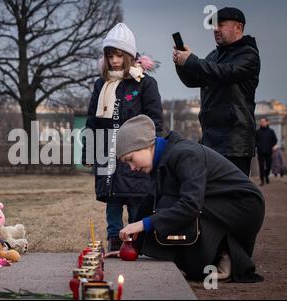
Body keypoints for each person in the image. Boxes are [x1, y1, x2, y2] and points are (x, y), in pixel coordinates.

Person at [116, 115, 265, 283]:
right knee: (165, 206)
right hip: (224, 202)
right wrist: (132, 246)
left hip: (244, 206)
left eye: (130, 159)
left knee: (178, 208)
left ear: (145, 144)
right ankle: (209, 255)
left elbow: (190, 205)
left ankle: (225, 254)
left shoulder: (185, 154)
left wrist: (144, 224)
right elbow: (150, 204)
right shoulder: (164, 160)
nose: (132, 168)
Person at [82, 23, 163, 252]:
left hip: (135, 154)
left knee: (137, 199)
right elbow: (92, 121)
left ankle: (136, 241)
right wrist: (89, 151)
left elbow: (155, 121)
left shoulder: (145, 83)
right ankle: (114, 240)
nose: (115, 61)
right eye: (110, 56)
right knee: (113, 199)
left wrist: (150, 151)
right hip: (107, 153)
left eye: (119, 55)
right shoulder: (101, 84)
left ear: (129, 55)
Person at [173, 7, 260, 176]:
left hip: (235, 142)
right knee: (211, 194)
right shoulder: (214, 55)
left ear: (238, 27)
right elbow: (193, 80)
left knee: (234, 195)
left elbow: (224, 72)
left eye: (221, 24)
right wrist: (181, 63)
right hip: (210, 138)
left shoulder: (249, 55)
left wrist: (191, 60)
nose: (216, 29)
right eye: (213, 26)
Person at [255, 118, 278, 185]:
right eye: (261, 121)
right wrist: (258, 146)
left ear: (267, 122)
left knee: (268, 166)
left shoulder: (271, 131)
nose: (262, 123)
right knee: (261, 166)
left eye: (263, 121)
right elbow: (255, 141)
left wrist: (272, 146)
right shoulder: (257, 132)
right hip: (260, 152)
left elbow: (275, 140)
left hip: (269, 151)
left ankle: (266, 175)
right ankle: (262, 180)